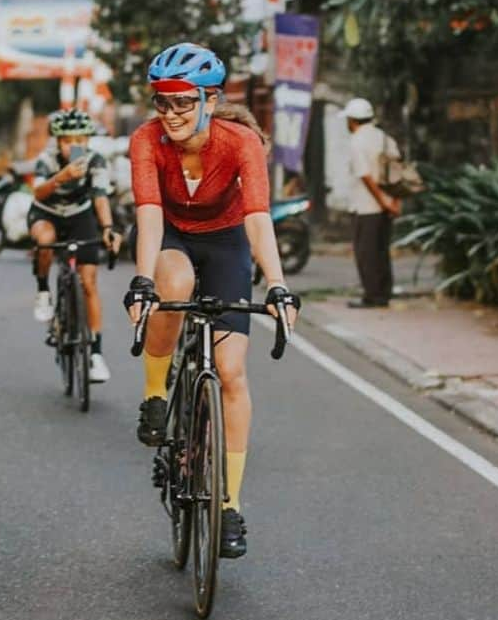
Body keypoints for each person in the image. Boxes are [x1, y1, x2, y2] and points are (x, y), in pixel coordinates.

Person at [124, 43, 300, 560]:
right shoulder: (145, 140)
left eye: (183, 101)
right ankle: (156, 395)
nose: (172, 113)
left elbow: (258, 217)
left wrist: (278, 284)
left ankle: (228, 504)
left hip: (226, 244)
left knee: (231, 371)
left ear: (208, 99)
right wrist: (141, 281)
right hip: (174, 237)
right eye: (162, 101)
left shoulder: (240, 141)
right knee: (172, 286)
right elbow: (150, 214)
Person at [29, 108, 120, 383]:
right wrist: (62, 177)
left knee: (89, 282)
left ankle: (95, 354)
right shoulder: (46, 160)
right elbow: (37, 191)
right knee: (44, 240)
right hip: (47, 213)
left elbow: (101, 197)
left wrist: (107, 229)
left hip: (80, 215)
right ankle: (44, 291)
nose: (74, 146)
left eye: (80, 140)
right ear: (58, 142)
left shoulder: (95, 161)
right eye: (68, 141)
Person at [344, 96, 400, 308]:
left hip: (366, 207)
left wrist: (382, 202)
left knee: (366, 253)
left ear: (352, 120)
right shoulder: (385, 138)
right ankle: (384, 292)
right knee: (382, 250)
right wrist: (393, 202)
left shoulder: (357, 141)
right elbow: (397, 172)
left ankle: (373, 296)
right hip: (386, 205)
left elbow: (365, 176)